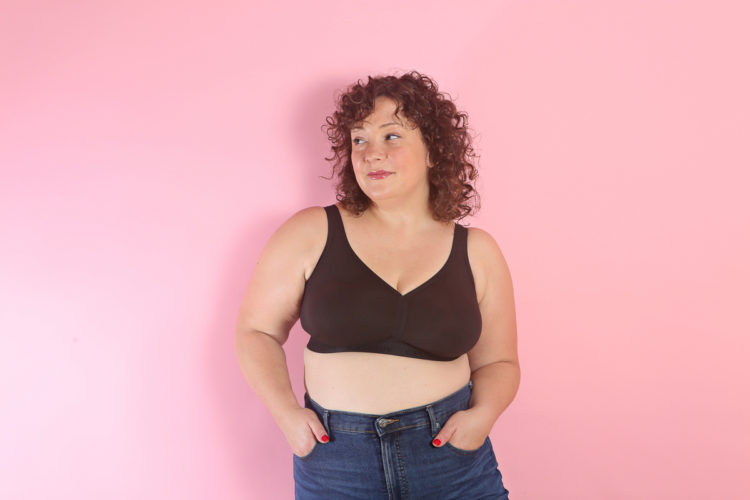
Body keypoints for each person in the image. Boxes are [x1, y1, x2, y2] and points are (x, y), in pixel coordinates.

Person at [235, 70, 519, 499]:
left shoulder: (477, 250)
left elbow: (499, 363)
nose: (371, 154)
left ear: (432, 151)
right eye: (359, 139)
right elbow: (256, 331)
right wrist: (288, 416)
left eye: (391, 137)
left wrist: (482, 417)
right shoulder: (311, 232)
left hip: (450, 462)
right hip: (337, 462)